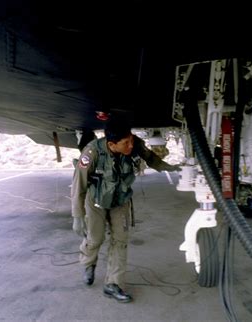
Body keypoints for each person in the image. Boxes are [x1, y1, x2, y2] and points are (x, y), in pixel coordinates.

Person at [70, 118, 181, 303]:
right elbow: (78, 185)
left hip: (120, 200)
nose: (131, 144)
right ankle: (89, 264)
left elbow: (151, 158)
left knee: (120, 240)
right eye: (126, 143)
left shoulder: (134, 144)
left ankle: (113, 284)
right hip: (96, 201)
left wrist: (168, 167)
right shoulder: (92, 152)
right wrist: (77, 215)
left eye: (131, 139)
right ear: (112, 144)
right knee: (95, 238)